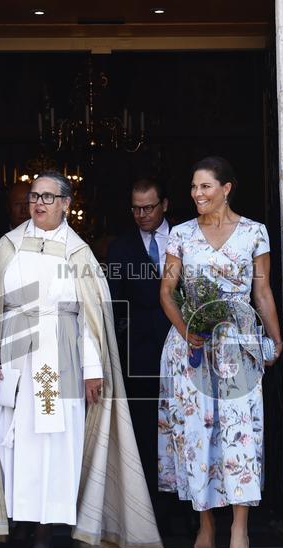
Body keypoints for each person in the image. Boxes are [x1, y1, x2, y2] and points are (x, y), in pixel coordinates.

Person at [0, 170, 161, 548]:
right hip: (15, 357)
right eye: (35, 196)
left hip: (61, 361)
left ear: (67, 204)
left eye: (48, 197)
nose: (38, 203)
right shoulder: (6, 248)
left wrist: (94, 369)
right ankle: (15, 522)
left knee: (55, 445)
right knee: (12, 442)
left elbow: (91, 320)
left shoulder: (79, 254)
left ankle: (45, 532)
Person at [157, 156, 282, 548]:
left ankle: (240, 528)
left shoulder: (254, 234)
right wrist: (187, 329)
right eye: (194, 188)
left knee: (239, 433)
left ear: (227, 188)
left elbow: (261, 293)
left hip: (236, 346)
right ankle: (205, 523)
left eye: (206, 187)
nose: (198, 194)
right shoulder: (180, 235)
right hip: (190, 346)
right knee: (196, 434)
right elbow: (167, 290)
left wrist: (275, 340)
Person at [106, 178, 175, 520]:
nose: (142, 214)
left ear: (165, 204)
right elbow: (115, 306)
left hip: (184, 348)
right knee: (147, 432)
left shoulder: (186, 238)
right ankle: (153, 513)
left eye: (148, 207)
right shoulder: (120, 248)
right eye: (136, 208)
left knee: (183, 428)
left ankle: (189, 512)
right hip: (141, 354)